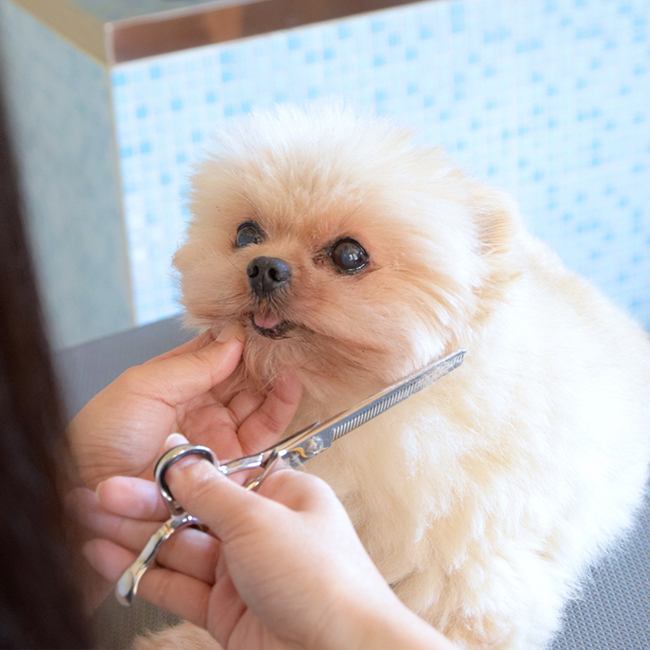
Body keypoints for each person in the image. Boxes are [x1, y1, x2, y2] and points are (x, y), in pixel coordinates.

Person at [0, 79, 456, 649]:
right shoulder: (215, 422)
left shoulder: (456, 481)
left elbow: (483, 624)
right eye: (249, 234)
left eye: (347, 256)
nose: (267, 267)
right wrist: (84, 488)